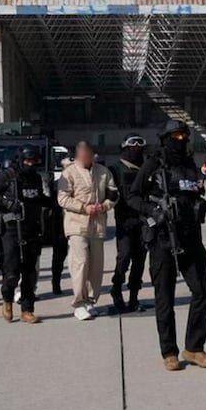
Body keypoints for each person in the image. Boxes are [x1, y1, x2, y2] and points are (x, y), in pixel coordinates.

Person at [128, 120, 206, 371]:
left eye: (184, 135)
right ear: (165, 138)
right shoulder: (153, 164)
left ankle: (194, 348)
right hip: (163, 238)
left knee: (202, 289)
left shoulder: (189, 165)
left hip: (191, 237)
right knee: (165, 297)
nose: (181, 140)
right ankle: (169, 352)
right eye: (176, 136)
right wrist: (153, 211)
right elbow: (132, 196)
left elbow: (192, 199)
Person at [0, 146, 55, 324]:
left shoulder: (36, 178)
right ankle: (7, 300)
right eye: (26, 160)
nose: (29, 164)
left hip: (32, 230)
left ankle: (27, 310)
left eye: (32, 161)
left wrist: (53, 199)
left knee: (30, 273)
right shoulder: (8, 176)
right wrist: (7, 204)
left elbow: (40, 199)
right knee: (12, 272)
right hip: (12, 230)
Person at [58, 141, 118, 321]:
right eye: (82, 155)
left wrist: (104, 206)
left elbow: (114, 194)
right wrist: (84, 208)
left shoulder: (103, 172)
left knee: (96, 266)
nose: (86, 158)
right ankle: (79, 302)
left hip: (97, 226)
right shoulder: (69, 173)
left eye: (89, 155)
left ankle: (91, 300)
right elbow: (63, 199)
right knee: (81, 262)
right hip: (77, 225)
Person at [108, 134, 150, 314]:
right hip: (125, 221)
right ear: (124, 148)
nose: (136, 150)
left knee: (139, 261)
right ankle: (116, 289)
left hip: (144, 220)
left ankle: (134, 298)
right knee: (124, 257)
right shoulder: (115, 169)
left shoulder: (146, 168)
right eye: (132, 147)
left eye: (139, 147)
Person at [49, 157, 72, 295]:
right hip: (60, 224)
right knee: (58, 257)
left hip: (76, 225)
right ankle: (56, 283)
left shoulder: (82, 182)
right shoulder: (57, 184)